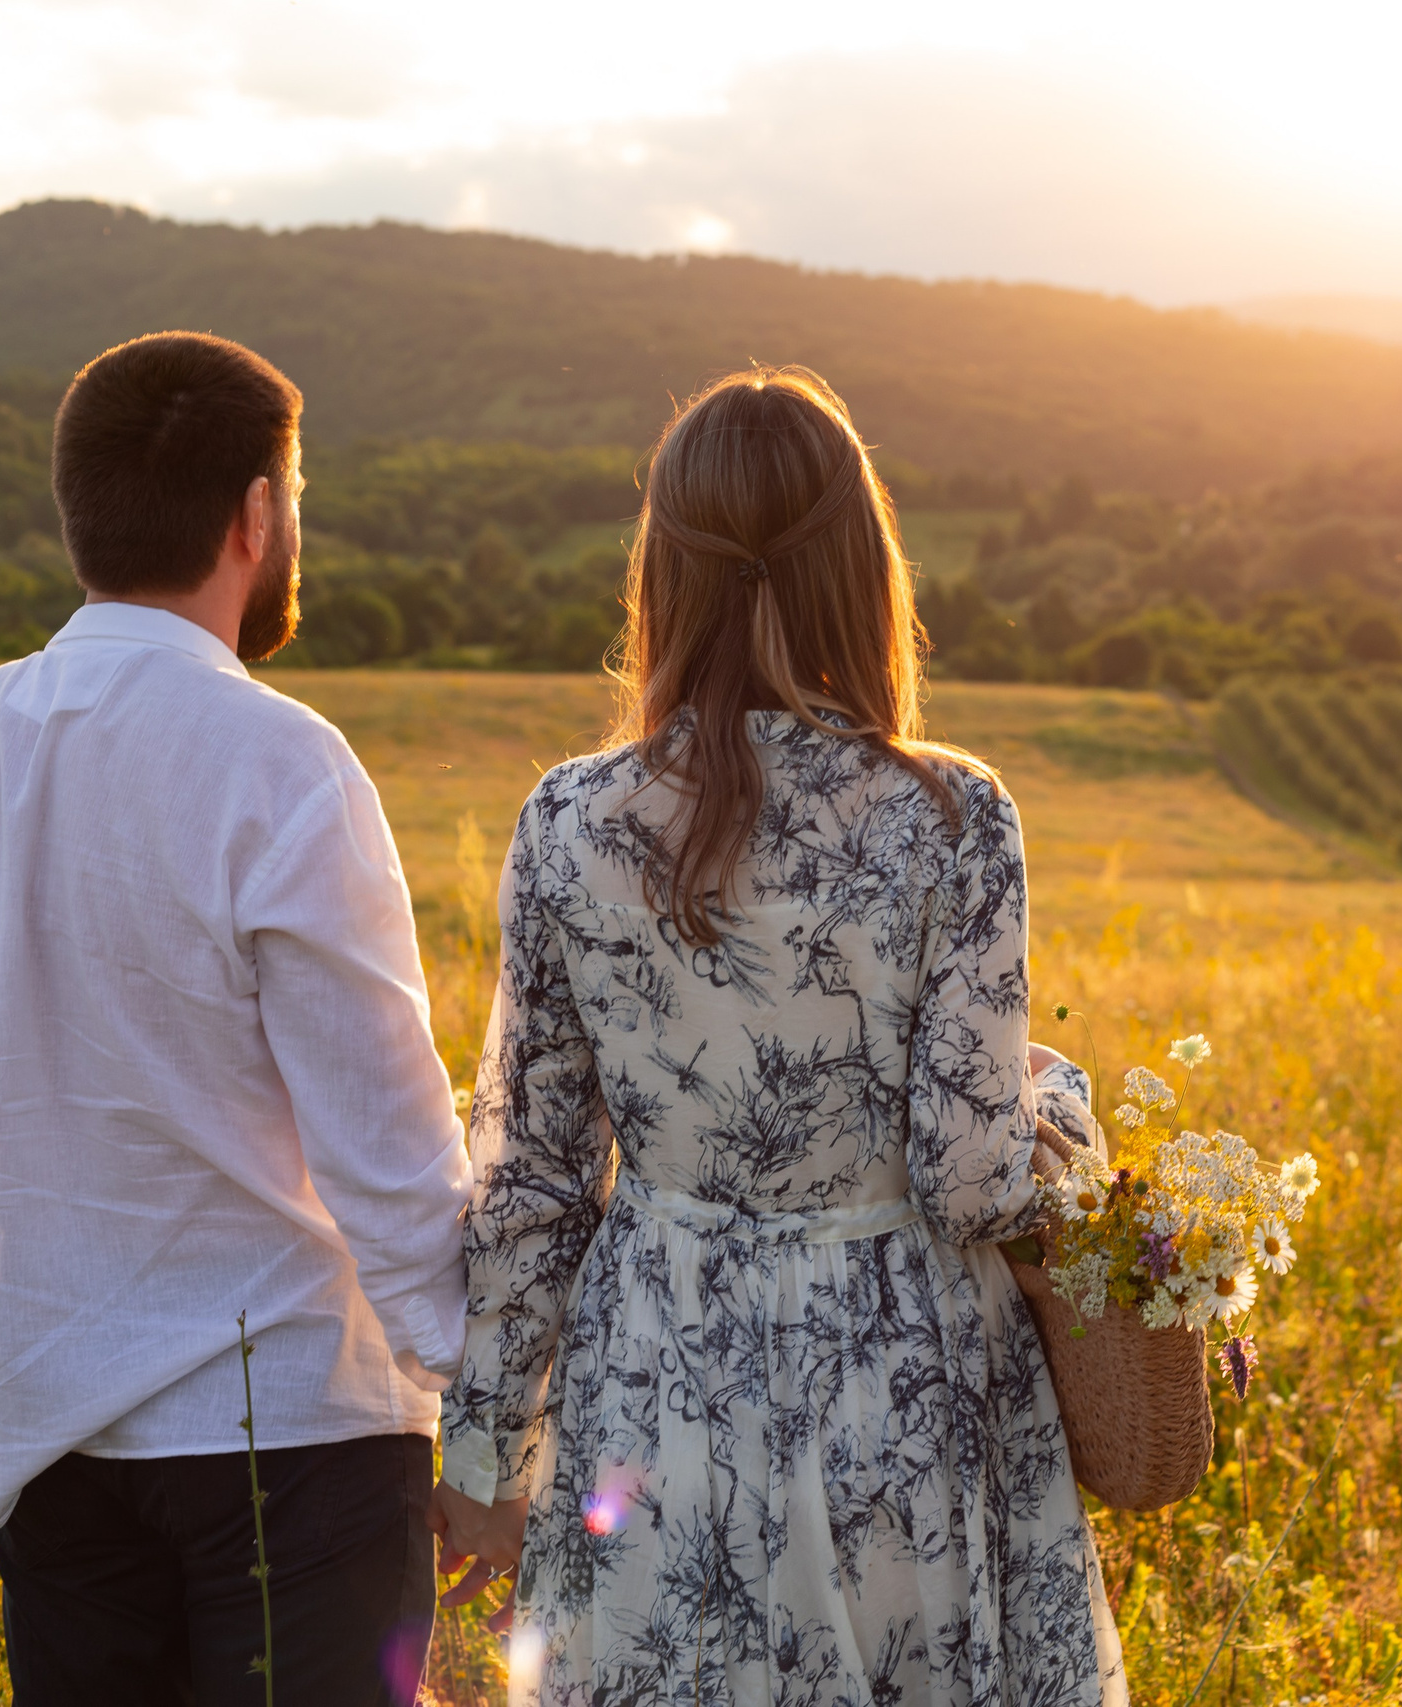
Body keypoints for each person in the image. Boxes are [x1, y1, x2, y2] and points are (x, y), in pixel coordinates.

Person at [429, 365, 1128, 1707]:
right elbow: (973, 1178)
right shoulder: (955, 815)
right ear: (861, 566)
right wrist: (1068, 1107)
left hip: (656, 1389)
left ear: (661, 572)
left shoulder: (568, 822)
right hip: (907, 1393)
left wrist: (479, 1466)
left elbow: (530, 1180)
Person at [0, 331, 472, 1706]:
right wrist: (482, 1407)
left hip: (48, 1445)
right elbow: (386, 1152)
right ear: (257, 515)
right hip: (296, 1441)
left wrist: (9, 1335)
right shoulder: (282, 760)